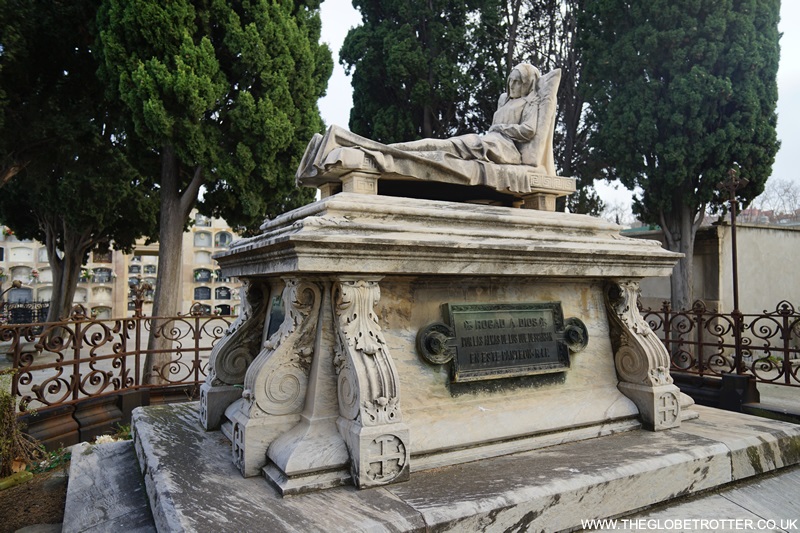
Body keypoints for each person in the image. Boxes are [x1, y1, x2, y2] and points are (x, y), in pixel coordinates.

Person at [297, 63, 561, 194]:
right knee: (433, 145)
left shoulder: (530, 102)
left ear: (527, 84)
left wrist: (502, 129)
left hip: (502, 151)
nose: (512, 87)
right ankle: (367, 146)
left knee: (440, 148)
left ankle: (370, 149)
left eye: (517, 83)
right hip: (485, 142)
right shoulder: (505, 100)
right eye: (510, 82)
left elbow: (528, 131)